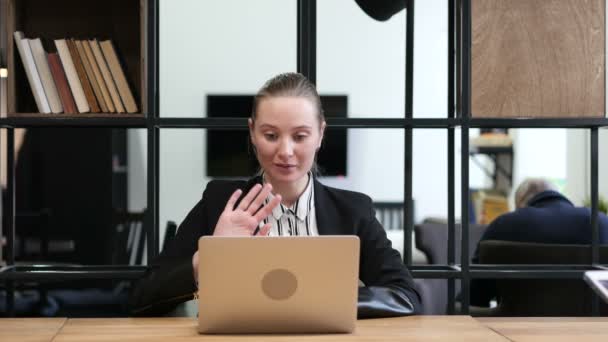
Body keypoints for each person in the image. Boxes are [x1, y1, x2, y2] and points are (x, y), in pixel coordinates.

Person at [129, 72, 421, 317]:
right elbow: (140, 297)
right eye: (270, 135)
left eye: (300, 136)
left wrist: (332, 302)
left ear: (320, 134)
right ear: (252, 133)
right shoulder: (220, 202)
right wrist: (206, 259)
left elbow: (405, 295)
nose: (285, 151)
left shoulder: (353, 210)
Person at [470, 178, 608, 307]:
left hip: (515, 328)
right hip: (593, 328)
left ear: (521, 203)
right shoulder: (601, 223)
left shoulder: (504, 224)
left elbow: (473, 297)